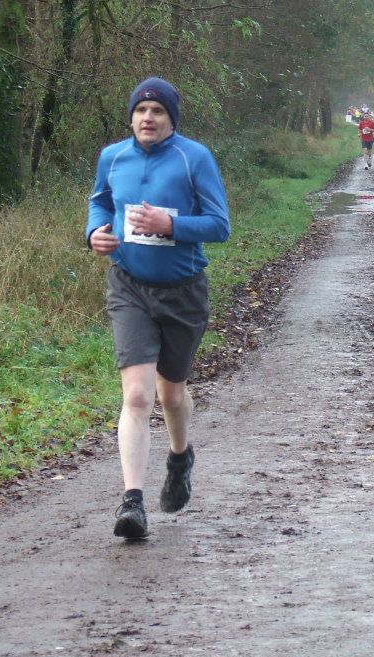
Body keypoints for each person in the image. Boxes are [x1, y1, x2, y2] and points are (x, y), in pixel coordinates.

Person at [86, 77, 231, 539]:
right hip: (129, 287)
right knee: (137, 395)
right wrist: (95, 234)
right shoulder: (113, 157)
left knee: (171, 396)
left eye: (157, 112)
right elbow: (99, 203)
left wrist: (172, 223)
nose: (147, 118)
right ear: (130, 117)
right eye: (141, 111)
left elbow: (220, 225)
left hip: (183, 291)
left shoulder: (195, 158)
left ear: (171, 120)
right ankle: (132, 503)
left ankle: (180, 455)